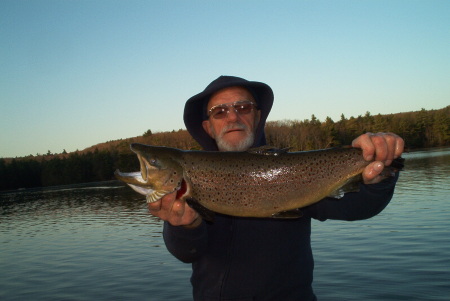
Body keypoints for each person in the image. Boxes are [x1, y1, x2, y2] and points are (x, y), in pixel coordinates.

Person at [148, 76, 404, 301]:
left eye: (243, 107)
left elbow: (357, 207)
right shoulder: (189, 180)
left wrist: (378, 172)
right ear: (208, 126)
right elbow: (186, 252)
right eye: (219, 111)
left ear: (257, 116)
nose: (233, 116)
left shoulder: (293, 167)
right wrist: (186, 226)